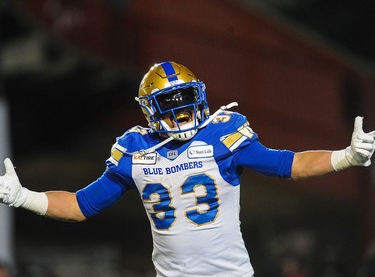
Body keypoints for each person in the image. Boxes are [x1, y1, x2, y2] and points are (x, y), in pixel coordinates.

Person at [0, 61, 374, 277]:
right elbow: (81, 206)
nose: (181, 113)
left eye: (186, 101)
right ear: (149, 110)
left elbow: (289, 164)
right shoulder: (134, 149)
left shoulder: (222, 135)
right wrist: (23, 197)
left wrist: (347, 157)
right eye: (170, 105)